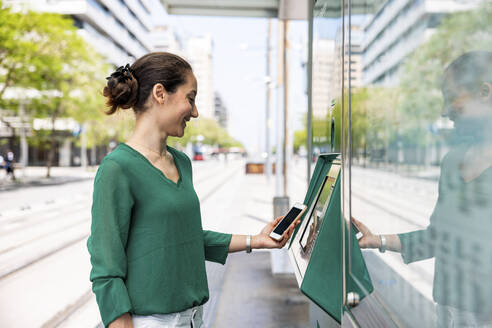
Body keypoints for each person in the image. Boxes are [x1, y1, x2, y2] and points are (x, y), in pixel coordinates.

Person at [87, 52, 300, 328]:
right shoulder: (117, 169)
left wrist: (256, 241)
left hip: (194, 319)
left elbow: (184, 239)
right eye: (190, 98)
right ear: (160, 94)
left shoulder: (182, 163)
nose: (195, 112)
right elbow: (106, 270)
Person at [353, 52, 492, 327]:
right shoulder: (452, 162)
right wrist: (377, 240)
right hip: (447, 309)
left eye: (451, 96)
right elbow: (438, 237)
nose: (443, 110)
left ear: (485, 92)